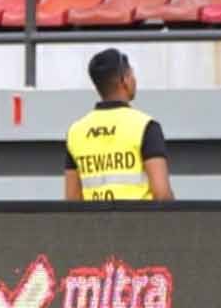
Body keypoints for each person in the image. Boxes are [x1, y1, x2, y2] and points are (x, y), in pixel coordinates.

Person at [64, 48, 174, 202]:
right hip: (138, 224)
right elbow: (162, 195)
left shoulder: (76, 132)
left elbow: (72, 200)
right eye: (132, 74)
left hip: (94, 225)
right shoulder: (145, 126)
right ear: (125, 80)